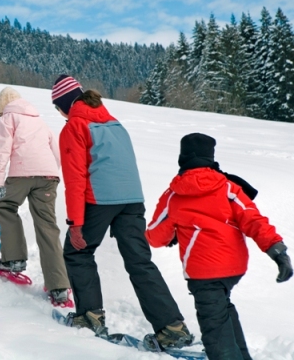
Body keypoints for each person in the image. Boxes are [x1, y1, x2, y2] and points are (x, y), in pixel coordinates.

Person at [51, 74, 193, 349]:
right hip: (132, 199)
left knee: (77, 251)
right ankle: (172, 327)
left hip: (100, 199)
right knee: (140, 262)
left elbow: (75, 178)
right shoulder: (115, 123)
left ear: (66, 104)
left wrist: (75, 223)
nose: (58, 114)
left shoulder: (75, 126)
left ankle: (89, 316)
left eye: (58, 108)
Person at [145, 133, 294, 360]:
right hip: (233, 267)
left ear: (182, 158)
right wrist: (277, 251)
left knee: (214, 329)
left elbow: (155, 237)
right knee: (222, 310)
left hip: (203, 272)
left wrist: (171, 233)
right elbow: (253, 220)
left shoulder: (174, 194)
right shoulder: (228, 187)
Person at [0, 87, 71, 305]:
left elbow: (1, 152)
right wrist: (53, 174)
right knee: (47, 225)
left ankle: (13, 260)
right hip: (48, 176)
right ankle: (59, 286)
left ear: (2, 107)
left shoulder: (7, 118)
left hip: (21, 173)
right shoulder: (39, 120)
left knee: (6, 206)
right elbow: (55, 150)